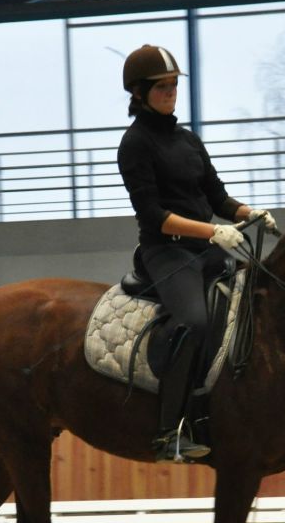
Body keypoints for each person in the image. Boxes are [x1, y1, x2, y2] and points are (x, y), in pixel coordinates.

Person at [116, 44, 276, 463]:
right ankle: (169, 430)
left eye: (173, 86)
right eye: (161, 87)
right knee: (194, 321)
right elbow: (154, 215)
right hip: (166, 254)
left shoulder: (188, 140)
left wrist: (249, 212)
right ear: (139, 93)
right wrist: (212, 231)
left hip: (208, 246)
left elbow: (216, 196)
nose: (170, 93)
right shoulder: (134, 145)